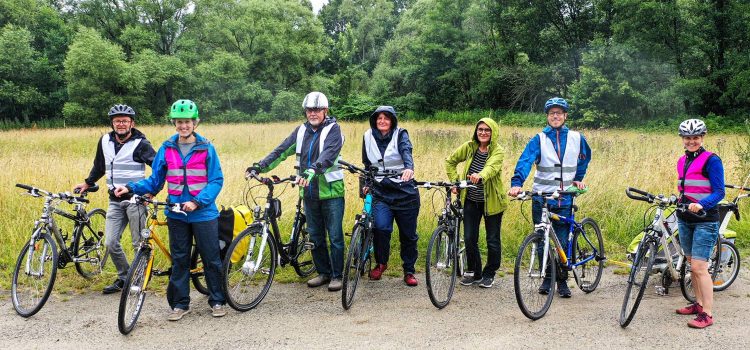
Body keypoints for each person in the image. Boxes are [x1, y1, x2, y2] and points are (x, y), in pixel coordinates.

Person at [113, 99, 227, 320]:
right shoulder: (167, 148)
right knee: (180, 259)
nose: (183, 126)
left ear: (196, 123)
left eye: (187, 122)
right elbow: (155, 181)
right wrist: (129, 187)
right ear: (174, 123)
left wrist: (197, 201)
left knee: (211, 259)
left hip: (203, 213)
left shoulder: (206, 148)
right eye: (179, 122)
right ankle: (180, 304)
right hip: (176, 214)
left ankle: (218, 300)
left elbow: (216, 180)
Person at [246, 92, 345, 291]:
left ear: (325, 111)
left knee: (334, 236)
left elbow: (328, 155)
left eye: (317, 110)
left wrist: (311, 170)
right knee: (315, 236)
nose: (313, 113)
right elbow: (280, 151)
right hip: (308, 193)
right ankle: (323, 272)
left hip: (331, 192)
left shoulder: (334, 130)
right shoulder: (301, 131)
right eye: (309, 110)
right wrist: (259, 166)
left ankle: (337, 275)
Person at [508, 97, 591, 297]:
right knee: (541, 241)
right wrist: (517, 183)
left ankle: (562, 281)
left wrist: (578, 178)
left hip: (564, 198)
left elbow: (584, 158)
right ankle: (547, 277)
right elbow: (525, 160)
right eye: (552, 113)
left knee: (561, 242)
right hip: (541, 198)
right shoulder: (539, 139)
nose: (556, 116)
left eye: (559, 113)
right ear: (547, 117)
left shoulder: (576, 138)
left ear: (565, 116)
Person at [73, 104, 155, 294]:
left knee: (138, 243)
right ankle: (125, 277)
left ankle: (140, 280)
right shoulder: (105, 141)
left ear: (132, 123)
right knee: (110, 242)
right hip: (115, 200)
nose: (121, 124)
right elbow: (100, 166)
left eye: (125, 121)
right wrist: (87, 183)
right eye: (117, 121)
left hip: (136, 200)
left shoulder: (141, 143)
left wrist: (151, 190)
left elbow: (159, 167)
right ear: (112, 123)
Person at [673, 119, 724, 329]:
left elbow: (719, 192)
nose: (691, 141)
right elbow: (685, 189)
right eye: (687, 137)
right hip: (685, 220)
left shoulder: (711, 160)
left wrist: (700, 204)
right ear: (683, 140)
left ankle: (708, 314)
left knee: (699, 268)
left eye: (695, 137)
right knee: (691, 265)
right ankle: (698, 304)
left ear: (702, 138)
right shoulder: (681, 161)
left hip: (705, 220)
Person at [445, 118, 508, 288]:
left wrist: (480, 175)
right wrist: (455, 181)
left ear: (493, 132)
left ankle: (490, 273)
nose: (483, 133)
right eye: (480, 129)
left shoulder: (498, 151)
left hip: (492, 202)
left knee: (492, 239)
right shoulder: (470, 146)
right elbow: (450, 161)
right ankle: (475, 271)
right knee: (469, 237)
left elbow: (492, 168)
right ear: (476, 131)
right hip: (471, 200)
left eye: (487, 130)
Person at [362, 106, 420, 286]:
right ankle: (381, 263)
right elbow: (366, 163)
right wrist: (366, 183)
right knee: (381, 228)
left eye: (386, 118)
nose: (382, 121)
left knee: (408, 236)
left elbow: (406, 150)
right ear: (374, 120)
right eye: (379, 118)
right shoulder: (367, 136)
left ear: (392, 120)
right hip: (381, 192)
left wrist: (409, 167)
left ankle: (409, 270)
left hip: (405, 193)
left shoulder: (400, 134)